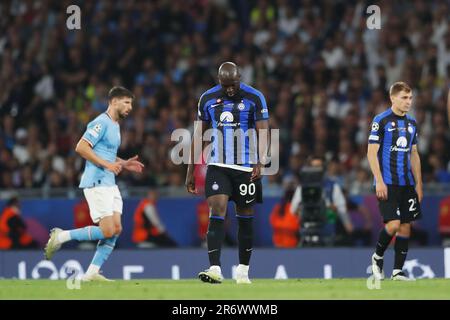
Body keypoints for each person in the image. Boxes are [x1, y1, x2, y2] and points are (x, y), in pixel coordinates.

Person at [44, 86, 144, 281]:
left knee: (116, 229)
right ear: (114, 102)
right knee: (107, 230)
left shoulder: (115, 125)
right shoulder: (101, 122)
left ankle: (91, 273)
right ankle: (61, 236)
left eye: (131, 103)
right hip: (96, 181)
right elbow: (81, 147)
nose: (130, 107)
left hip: (109, 182)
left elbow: (104, 152)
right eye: (126, 102)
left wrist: (124, 163)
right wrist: (108, 164)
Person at [185, 62, 270, 284]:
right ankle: (215, 268)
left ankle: (243, 271)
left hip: (245, 167)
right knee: (217, 207)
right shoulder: (207, 99)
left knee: (245, 216)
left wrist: (260, 161)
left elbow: (263, 131)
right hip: (218, 165)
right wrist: (190, 170)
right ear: (219, 81)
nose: (230, 89)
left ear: (239, 78)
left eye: (233, 85)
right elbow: (198, 136)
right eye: (225, 86)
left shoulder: (255, 97)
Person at [367, 81, 423, 281]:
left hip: (407, 183)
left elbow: (414, 155)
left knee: (406, 226)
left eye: (410, 98)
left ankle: (397, 271)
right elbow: (371, 153)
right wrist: (379, 181)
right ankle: (377, 257)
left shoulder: (412, 123)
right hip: (387, 182)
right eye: (404, 98)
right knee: (393, 225)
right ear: (393, 98)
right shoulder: (380, 120)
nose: (409, 102)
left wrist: (419, 184)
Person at [291, 156, 353, 245]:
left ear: (324, 168)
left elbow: (342, 210)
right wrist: (303, 211)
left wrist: (348, 227)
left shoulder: (333, 186)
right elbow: (293, 210)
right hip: (306, 233)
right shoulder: (302, 187)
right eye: (314, 167)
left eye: (319, 167)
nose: (316, 170)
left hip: (327, 234)